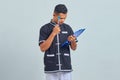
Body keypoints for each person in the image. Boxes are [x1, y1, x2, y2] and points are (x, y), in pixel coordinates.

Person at [39, 4, 77, 80]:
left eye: (64, 18)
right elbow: (42, 48)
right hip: (51, 68)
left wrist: (72, 41)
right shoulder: (44, 28)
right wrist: (53, 33)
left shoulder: (68, 28)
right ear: (54, 14)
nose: (62, 20)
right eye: (60, 18)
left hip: (66, 67)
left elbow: (74, 48)